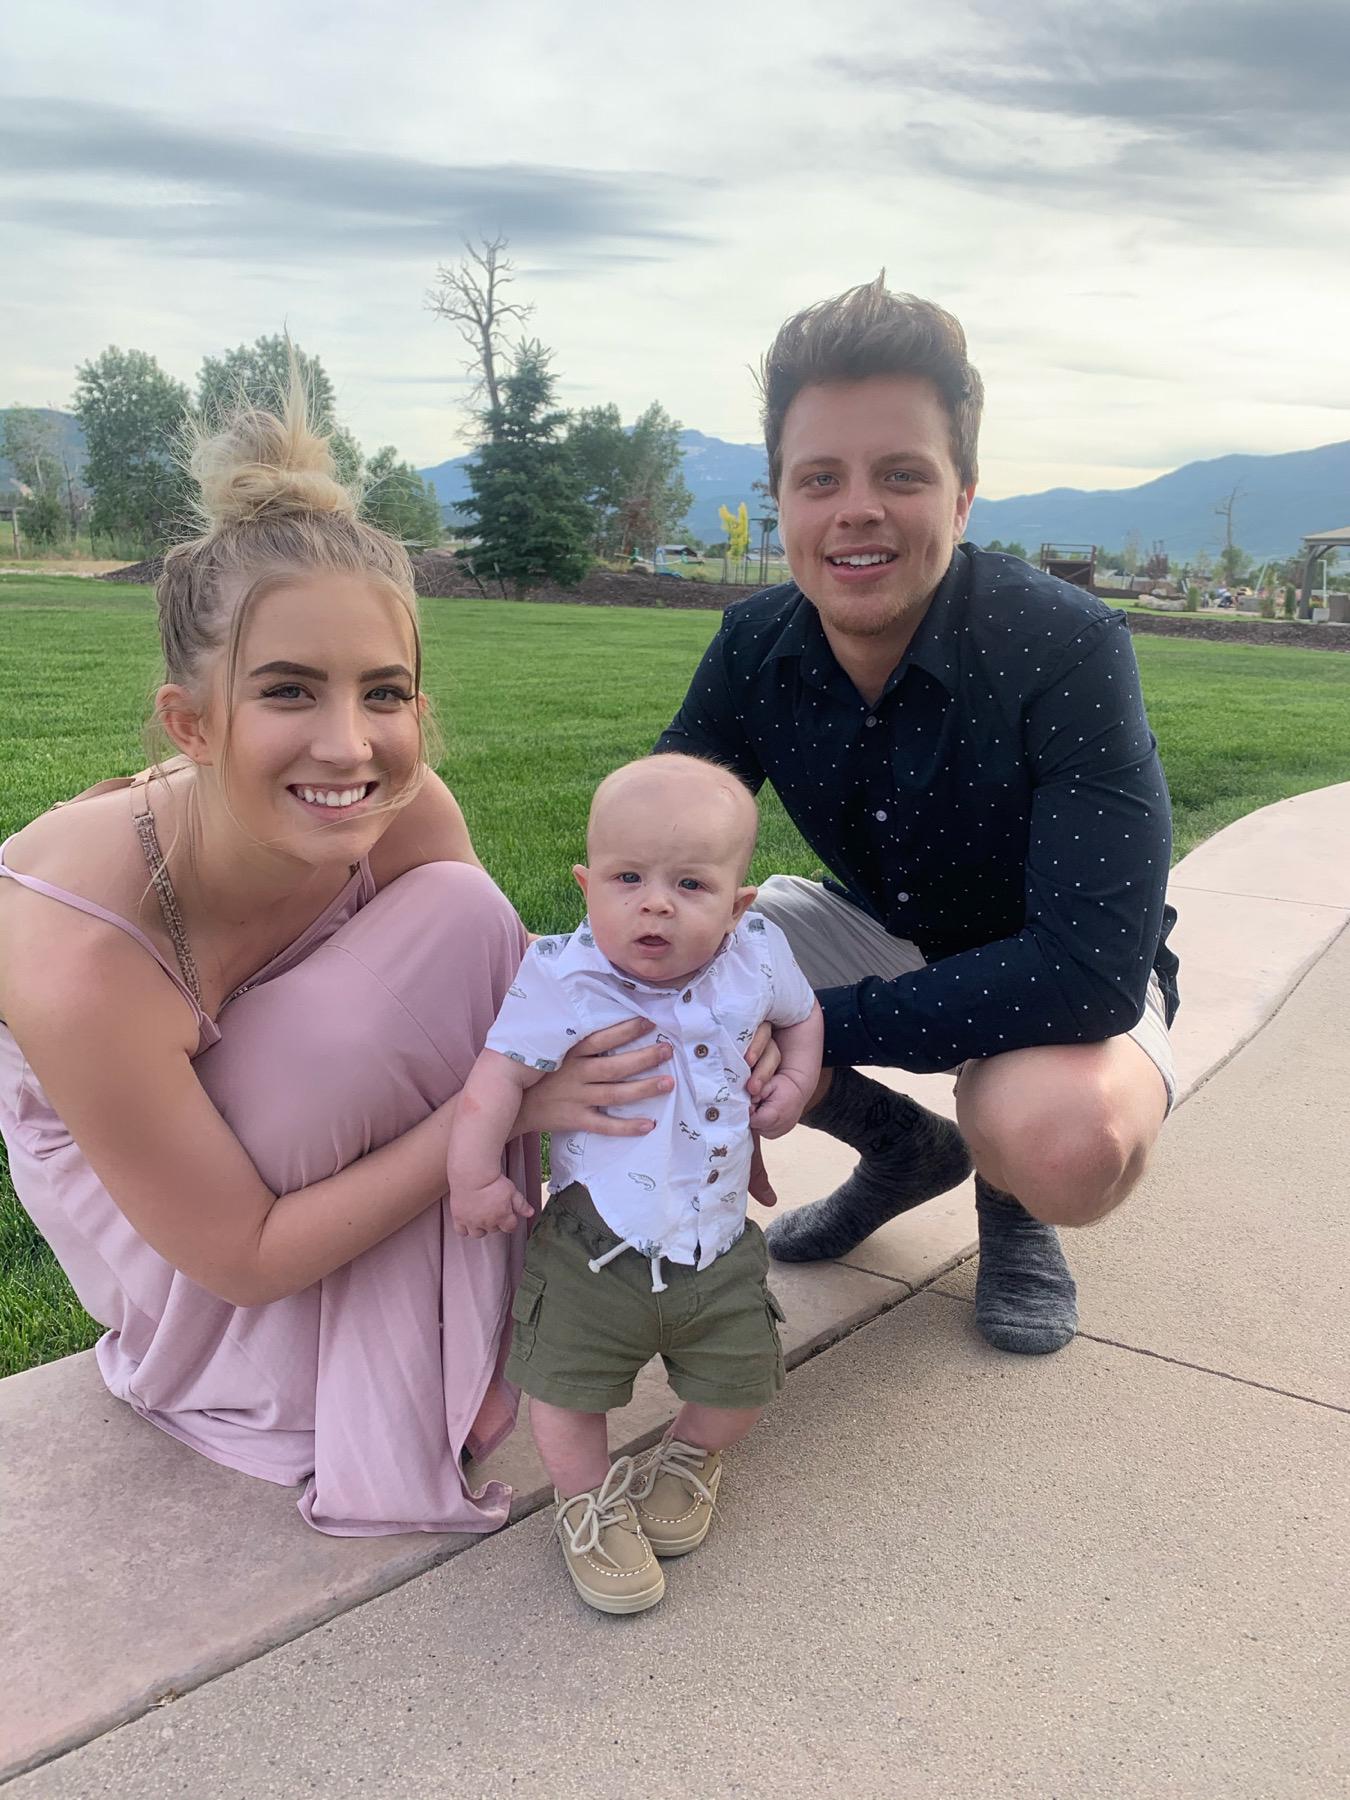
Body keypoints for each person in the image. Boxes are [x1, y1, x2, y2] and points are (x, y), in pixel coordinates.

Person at [0, 387, 674, 1535]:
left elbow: (516, 995)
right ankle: (324, 1368)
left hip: (313, 1133)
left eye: (385, 693)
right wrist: (498, 1109)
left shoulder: (397, 805)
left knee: (466, 916)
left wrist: (711, 1037)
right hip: (195, 1255)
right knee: (363, 1033)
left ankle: (427, 1319)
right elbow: (246, 1254)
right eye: (288, 691)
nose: (350, 746)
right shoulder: (75, 954)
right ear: (192, 723)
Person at [658, 277, 1179, 1355]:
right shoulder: (755, 645)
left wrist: (807, 1026)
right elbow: (654, 849)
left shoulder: (1065, 644)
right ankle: (903, 1148)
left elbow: (1088, 971)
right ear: (782, 499)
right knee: (658, 966)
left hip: (1064, 976)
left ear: (963, 497)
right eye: (821, 478)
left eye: (902, 473)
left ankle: (1011, 1201)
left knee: (1063, 1140)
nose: (858, 509)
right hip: (879, 925)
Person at [447, 755, 823, 1612]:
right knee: (565, 1390)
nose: (655, 903)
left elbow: (805, 1017)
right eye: (628, 879)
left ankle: (690, 1455)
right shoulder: (563, 978)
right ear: (587, 886)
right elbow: (495, 1080)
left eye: (690, 884)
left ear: (738, 906)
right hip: (593, 1245)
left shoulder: (758, 958)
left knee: (742, 1382)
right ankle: (585, 1502)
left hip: (716, 1243)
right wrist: (472, 1177)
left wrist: (796, 1081)